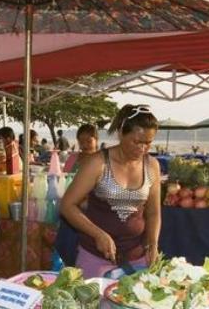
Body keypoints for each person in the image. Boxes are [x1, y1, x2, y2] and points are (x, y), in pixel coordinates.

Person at [60, 104, 161, 279]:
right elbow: (67, 206)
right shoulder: (97, 163)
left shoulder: (152, 166)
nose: (142, 148)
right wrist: (97, 234)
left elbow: (153, 212)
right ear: (121, 132)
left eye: (148, 143)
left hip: (137, 260)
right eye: (137, 141)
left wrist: (152, 243)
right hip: (95, 258)